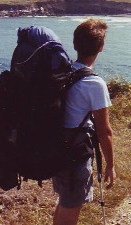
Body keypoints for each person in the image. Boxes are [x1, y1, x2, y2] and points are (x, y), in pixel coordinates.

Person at [53, 19, 116, 225]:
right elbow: (104, 131)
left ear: (75, 45)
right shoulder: (94, 83)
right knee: (70, 210)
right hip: (75, 153)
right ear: (101, 47)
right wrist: (110, 165)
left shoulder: (63, 72)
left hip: (56, 148)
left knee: (64, 203)